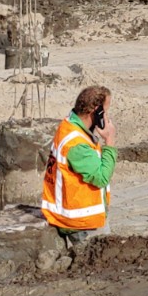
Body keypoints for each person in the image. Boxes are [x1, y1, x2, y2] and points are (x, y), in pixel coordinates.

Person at [42, 86, 118, 246]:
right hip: (82, 223)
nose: (107, 116)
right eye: (105, 111)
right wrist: (110, 142)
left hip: (72, 215)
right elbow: (101, 177)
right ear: (96, 112)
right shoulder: (77, 145)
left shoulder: (69, 127)